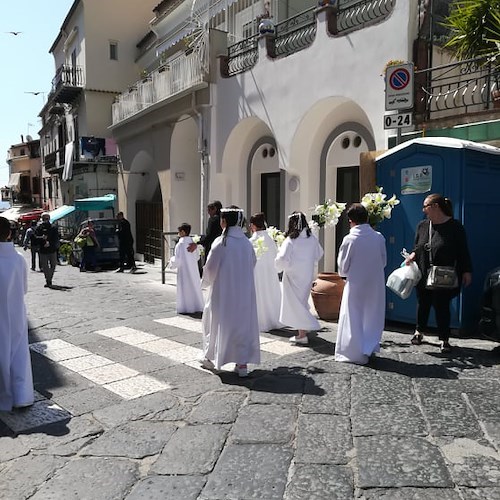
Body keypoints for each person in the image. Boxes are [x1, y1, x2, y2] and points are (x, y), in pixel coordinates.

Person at [405, 193, 472, 353]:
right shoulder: (422, 226)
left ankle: (444, 339)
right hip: (423, 271)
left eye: (426, 206)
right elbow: (417, 247)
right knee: (423, 303)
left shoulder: (455, 227)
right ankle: (419, 332)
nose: (423, 210)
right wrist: (412, 256)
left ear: (436, 207)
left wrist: (467, 271)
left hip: (444, 274)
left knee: (441, 305)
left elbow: (463, 251)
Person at [201, 206, 260, 377]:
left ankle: (210, 357)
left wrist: (206, 282)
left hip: (224, 291)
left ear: (224, 221)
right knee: (242, 325)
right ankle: (242, 364)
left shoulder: (222, 242)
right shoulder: (246, 242)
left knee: (215, 322)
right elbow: (253, 262)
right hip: (244, 291)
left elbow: (210, 268)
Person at [334, 203, 387, 365]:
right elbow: (383, 261)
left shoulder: (350, 239)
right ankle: (369, 346)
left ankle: (354, 351)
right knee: (372, 315)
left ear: (351, 221)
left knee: (353, 316)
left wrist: (346, 274)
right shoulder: (379, 237)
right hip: (375, 284)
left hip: (356, 283)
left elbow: (343, 267)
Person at [0, 216, 34, 411]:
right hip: (16, 311)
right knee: (18, 352)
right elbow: (24, 288)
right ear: (10, 234)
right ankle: (21, 395)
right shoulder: (18, 259)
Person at [275, 211, 324, 345]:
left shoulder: (291, 240)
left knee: (295, 304)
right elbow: (319, 253)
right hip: (307, 275)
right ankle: (304, 329)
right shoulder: (312, 238)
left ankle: (302, 334)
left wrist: (279, 267)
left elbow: (282, 258)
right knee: (301, 301)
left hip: (292, 276)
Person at [249, 212, 282, 332]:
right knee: (270, 293)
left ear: (253, 225)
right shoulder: (269, 238)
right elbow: (276, 254)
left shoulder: (252, 240)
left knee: (260, 294)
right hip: (269, 271)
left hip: (257, 273)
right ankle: (273, 318)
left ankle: (261, 320)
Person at [169, 223, 204, 314]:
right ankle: (197, 306)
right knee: (194, 286)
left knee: (185, 289)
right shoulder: (193, 244)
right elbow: (197, 257)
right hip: (193, 270)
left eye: (179, 231)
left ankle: (185, 307)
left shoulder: (180, 245)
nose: (178, 233)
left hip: (183, 271)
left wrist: (171, 261)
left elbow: (177, 259)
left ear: (183, 232)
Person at [35, 212, 59, 287]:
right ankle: (48, 280)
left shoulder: (53, 227)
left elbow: (56, 238)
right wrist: (42, 238)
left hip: (52, 249)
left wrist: (51, 243)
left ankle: (49, 278)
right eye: (44, 218)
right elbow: (35, 237)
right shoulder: (39, 227)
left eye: (47, 218)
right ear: (42, 219)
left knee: (53, 265)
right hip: (43, 250)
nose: (46, 220)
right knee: (45, 266)